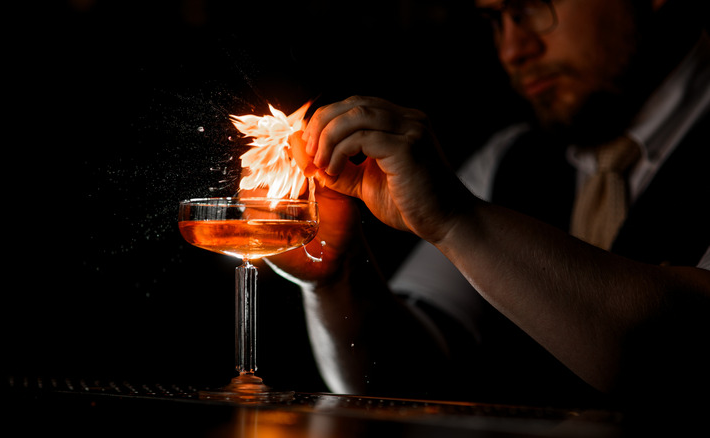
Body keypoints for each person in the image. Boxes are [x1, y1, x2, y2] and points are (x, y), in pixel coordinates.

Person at [267, 0, 710, 415]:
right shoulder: (506, 160)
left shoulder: (466, 201)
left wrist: (457, 221)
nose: (513, 49)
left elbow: (676, 354)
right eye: (495, 20)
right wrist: (338, 278)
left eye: (533, 7)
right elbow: (399, 382)